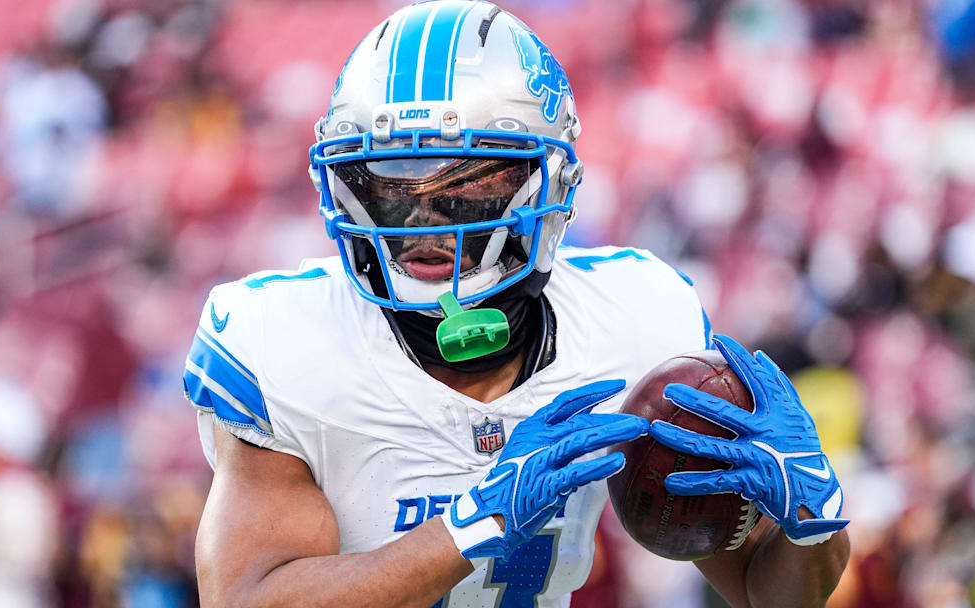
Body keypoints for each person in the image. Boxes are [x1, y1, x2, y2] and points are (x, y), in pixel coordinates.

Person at [183, 2, 850, 606]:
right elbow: (247, 600)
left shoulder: (636, 316)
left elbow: (771, 596)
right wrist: (477, 522)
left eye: (465, 187)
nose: (423, 223)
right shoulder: (283, 340)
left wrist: (815, 521)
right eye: (387, 184)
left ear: (546, 184)